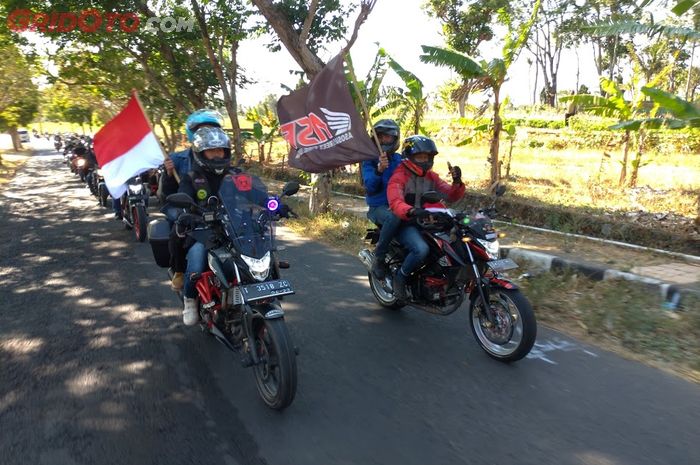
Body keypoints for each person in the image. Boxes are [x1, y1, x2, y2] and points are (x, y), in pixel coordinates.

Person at [387, 135, 465, 301]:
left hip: (427, 221)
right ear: (409, 157)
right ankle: (400, 277)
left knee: (453, 243)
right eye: (420, 156)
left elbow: (450, 195)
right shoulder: (399, 176)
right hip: (406, 222)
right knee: (421, 249)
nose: (424, 160)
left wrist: (457, 182)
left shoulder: (431, 176)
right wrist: (412, 211)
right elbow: (395, 202)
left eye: (427, 157)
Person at [174, 126, 236, 325]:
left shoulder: (235, 174)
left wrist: (273, 204)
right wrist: (187, 214)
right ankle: (190, 299)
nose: (218, 155)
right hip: (203, 231)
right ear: (201, 153)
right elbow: (182, 201)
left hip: (233, 229)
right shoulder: (192, 177)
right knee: (197, 259)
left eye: (220, 150)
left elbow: (256, 193)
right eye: (212, 150)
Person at [160, 109, 225, 291]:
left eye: (211, 128)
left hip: (215, 209)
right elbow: (168, 193)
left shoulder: (218, 153)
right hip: (186, 205)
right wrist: (168, 174)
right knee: (178, 225)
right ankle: (179, 269)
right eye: (201, 129)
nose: (206, 133)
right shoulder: (177, 159)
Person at [361, 119, 403, 280]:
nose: (385, 141)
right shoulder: (369, 159)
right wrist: (379, 170)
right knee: (395, 216)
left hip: (400, 204)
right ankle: (379, 257)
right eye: (381, 137)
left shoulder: (399, 159)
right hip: (379, 207)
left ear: (395, 138)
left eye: (388, 137)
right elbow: (370, 187)